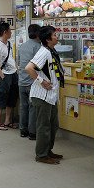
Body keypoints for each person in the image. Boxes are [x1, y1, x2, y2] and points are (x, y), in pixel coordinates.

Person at [25, 25, 64, 165]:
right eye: (54, 35)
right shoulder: (44, 52)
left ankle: (48, 150)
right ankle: (41, 155)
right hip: (42, 95)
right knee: (44, 126)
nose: (56, 36)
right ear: (48, 39)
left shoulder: (51, 51)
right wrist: (41, 81)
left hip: (51, 96)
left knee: (53, 125)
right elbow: (29, 68)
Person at [0, 22, 18, 130]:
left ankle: (7, 121)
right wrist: (2, 76)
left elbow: (11, 58)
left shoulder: (9, 43)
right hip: (4, 75)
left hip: (13, 73)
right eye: (9, 31)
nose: (11, 32)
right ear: (4, 32)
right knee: (2, 97)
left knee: (12, 97)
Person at [17, 24, 42, 140]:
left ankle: (23, 130)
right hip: (32, 82)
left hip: (21, 81)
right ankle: (32, 132)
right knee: (33, 107)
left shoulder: (22, 46)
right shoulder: (38, 47)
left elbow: (19, 63)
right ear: (38, 34)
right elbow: (39, 66)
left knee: (23, 107)